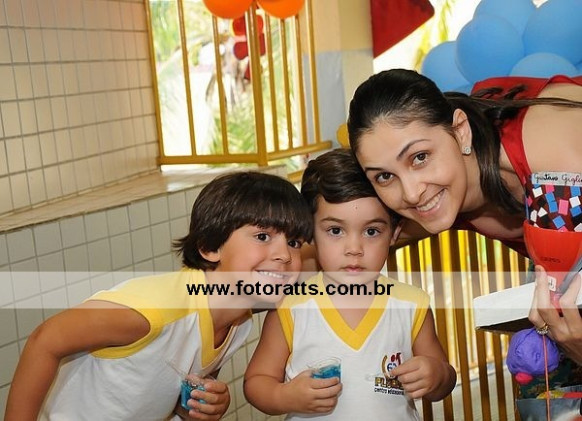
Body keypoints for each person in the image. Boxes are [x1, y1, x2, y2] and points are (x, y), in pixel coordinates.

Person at [4, 171, 313, 421]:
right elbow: (45, 340)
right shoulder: (152, 312)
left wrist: (201, 405)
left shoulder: (237, 323)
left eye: (294, 242)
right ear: (210, 247)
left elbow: (174, 393)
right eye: (262, 236)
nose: (284, 255)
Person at [347, 69, 582, 360]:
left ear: (460, 131)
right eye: (384, 176)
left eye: (420, 157)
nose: (410, 193)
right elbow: (326, 238)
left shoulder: (559, 158)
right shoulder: (432, 198)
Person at [244, 149, 456, 420]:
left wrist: (436, 375)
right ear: (310, 232)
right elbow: (257, 381)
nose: (354, 248)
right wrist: (284, 396)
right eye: (335, 231)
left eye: (371, 231)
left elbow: (444, 378)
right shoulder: (290, 307)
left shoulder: (412, 304)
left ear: (394, 233)